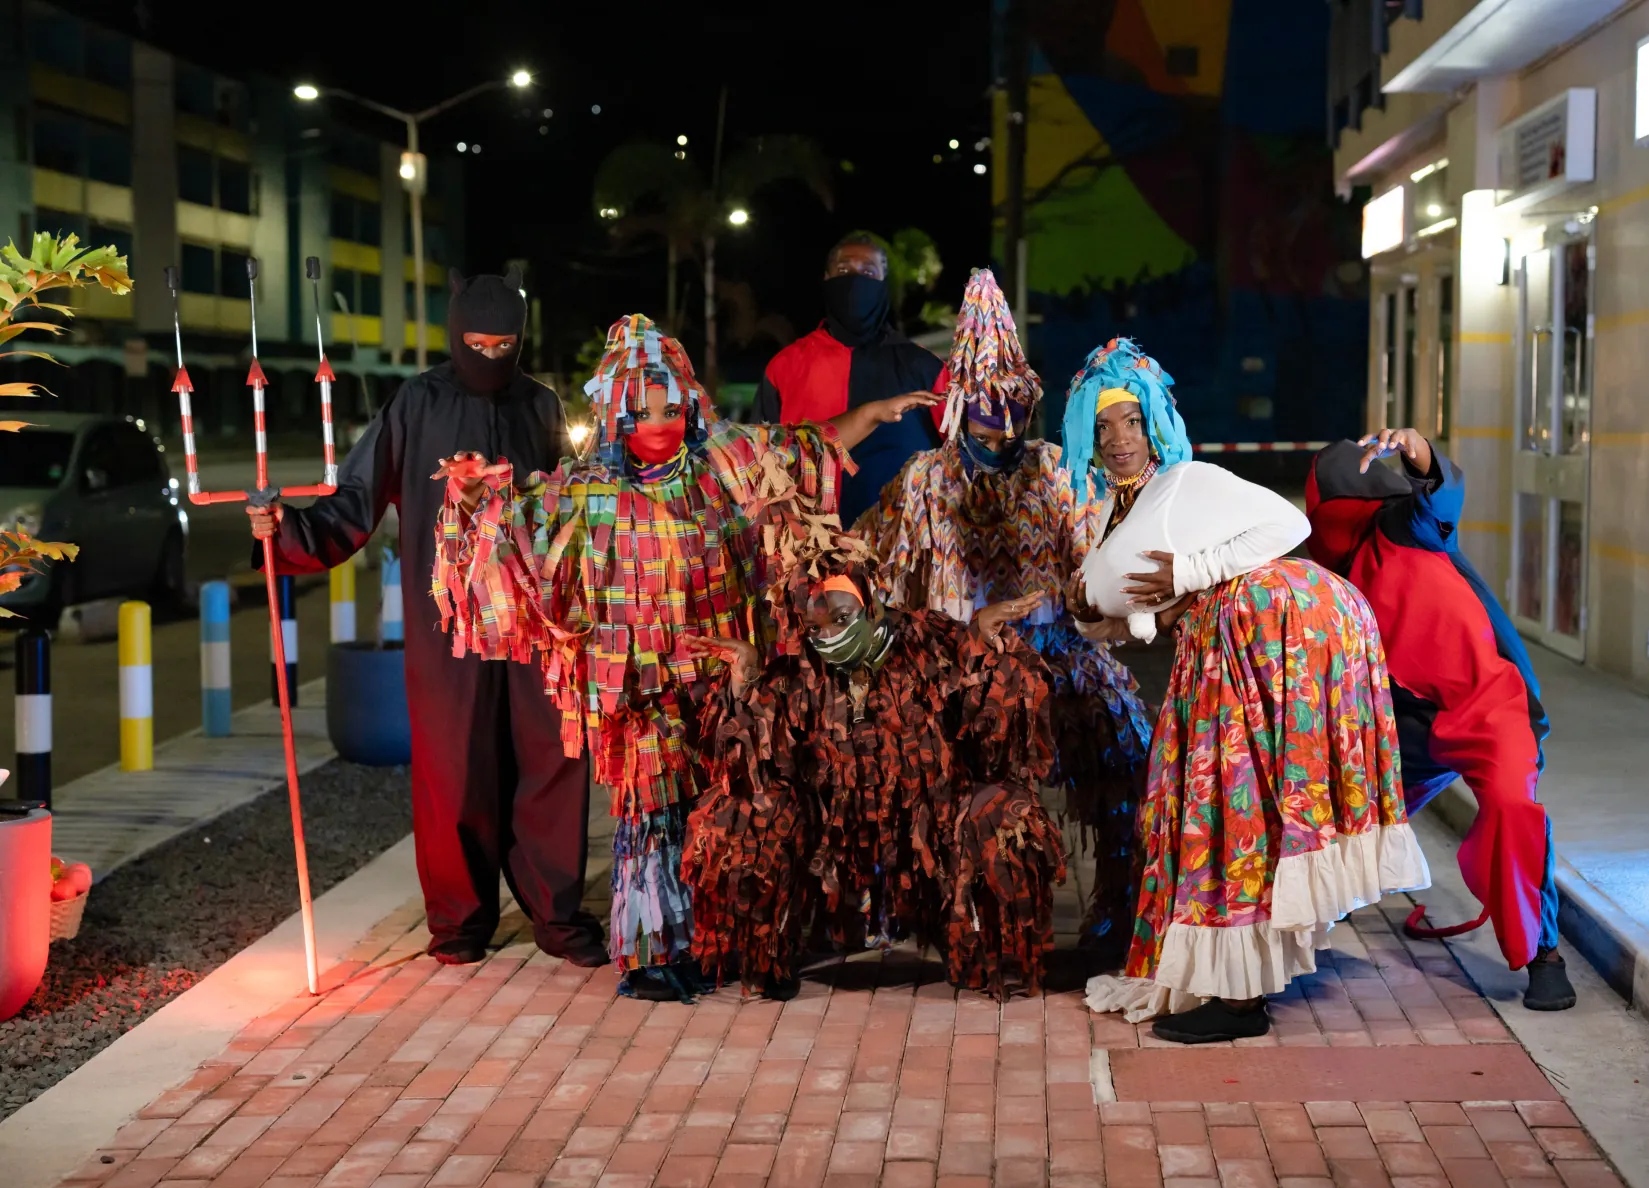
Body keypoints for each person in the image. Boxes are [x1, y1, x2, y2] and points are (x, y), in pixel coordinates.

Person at [431, 313, 932, 1002]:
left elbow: (800, 449)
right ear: (614, 416)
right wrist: (471, 498)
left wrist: (872, 414)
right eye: (642, 412)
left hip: (725, 679)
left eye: (671, 408)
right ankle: (651, 950)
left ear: (692, 404)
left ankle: (722, 939)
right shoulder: (586, 490)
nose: (660, 424)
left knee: (721, 811)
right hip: (641, 691)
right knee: (650, 819)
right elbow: (514, 529)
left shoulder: (723, 466)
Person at [1070, 338, 1431, 1044]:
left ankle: (1238, 1002)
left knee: (1237, 802)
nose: (1119, 440)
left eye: (1133, 422)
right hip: (1231, 642)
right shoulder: (1119, 510)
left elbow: (1287, 525)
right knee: (1224, 803)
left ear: (1158, 426)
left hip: (1277, 628)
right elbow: (1140, 609)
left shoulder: (1187, 481)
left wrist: (1187, 575)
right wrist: (1149, 610)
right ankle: (1232, 981)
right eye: (1105, 425)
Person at [247, 267, 608, 969]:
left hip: (537, 624)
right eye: (478, 343)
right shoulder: (415, 404)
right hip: (450, 624)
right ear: (455, 336)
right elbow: (354, 500)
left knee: (554, 757)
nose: (491, 357)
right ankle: (459, 919)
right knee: (455, 764)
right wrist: (287, 529)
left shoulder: (539, 405)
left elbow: (572, 507)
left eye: (506, 345)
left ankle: (558, 913)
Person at [855, 268, 1151, 953]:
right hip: (954, 665)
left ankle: (1119, 906)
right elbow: (884, 576)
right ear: (958, 409)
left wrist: (1061, 602)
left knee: (1126, 750)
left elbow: (1092, 566)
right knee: (911, 763)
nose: (1004, 428)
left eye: (1016, 408)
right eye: (987, 414)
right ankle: (944, 907)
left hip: (1055, 655)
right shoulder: (922, 481)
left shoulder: (1056, 469)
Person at [681, 529, 1065, 1001]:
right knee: (737, 816)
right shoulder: (800, 673)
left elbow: (993, 735)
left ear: (870, 605)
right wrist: (746, 677)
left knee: (1010, 820)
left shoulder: (926, 642)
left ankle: (973, 944)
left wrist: (983, 640)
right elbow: (758, 765)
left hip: (934, 828)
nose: (830, 636)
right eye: (816, 628)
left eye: (842, 618)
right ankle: (772, 953)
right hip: (833, 838)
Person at [1304, 428, 1575, 1011]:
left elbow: (1439, 497)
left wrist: (1420, 452)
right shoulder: (1328, 583)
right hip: (1403, 726)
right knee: (1332, 812)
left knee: (1511, 808)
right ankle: (1298, 923)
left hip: (1486, 706)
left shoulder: (1406, 528)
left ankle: (1543, 952)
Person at [751, 234, 942, 525]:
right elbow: (758, 459)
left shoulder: (925, 366)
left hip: (902, 544)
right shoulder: (785, 366)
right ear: (827, 278)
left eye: (868, 271)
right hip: (812, 546)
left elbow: (966, 453)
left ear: (883, 283)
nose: (855, 280)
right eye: (843, 271)